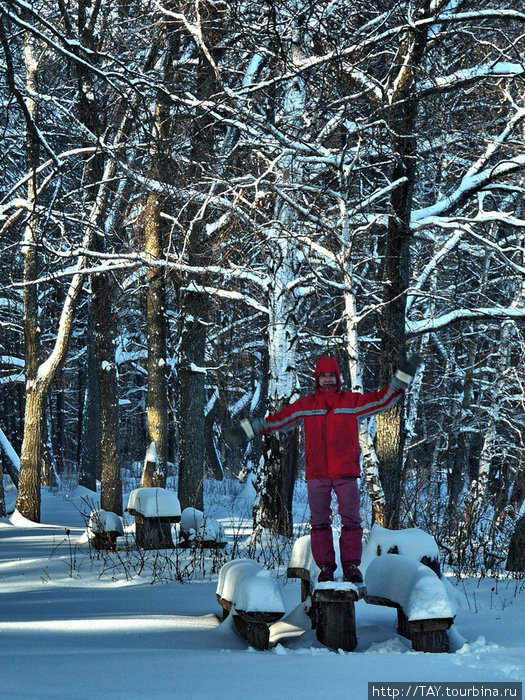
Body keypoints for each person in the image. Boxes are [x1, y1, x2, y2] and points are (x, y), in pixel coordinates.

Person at [223, 354, 421, 584]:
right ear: (317, 379)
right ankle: (326, 567)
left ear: (338, 378)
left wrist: (401, 379)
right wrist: (246, 430)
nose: (327, 380)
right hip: (317, 474)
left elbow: (382, 401)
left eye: (331, 376)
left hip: (346, 473)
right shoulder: (308, 406)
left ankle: (351, 567)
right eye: (323, 376)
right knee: (319, 523)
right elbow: (278, 420)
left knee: (352, 522)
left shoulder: (350, 402)